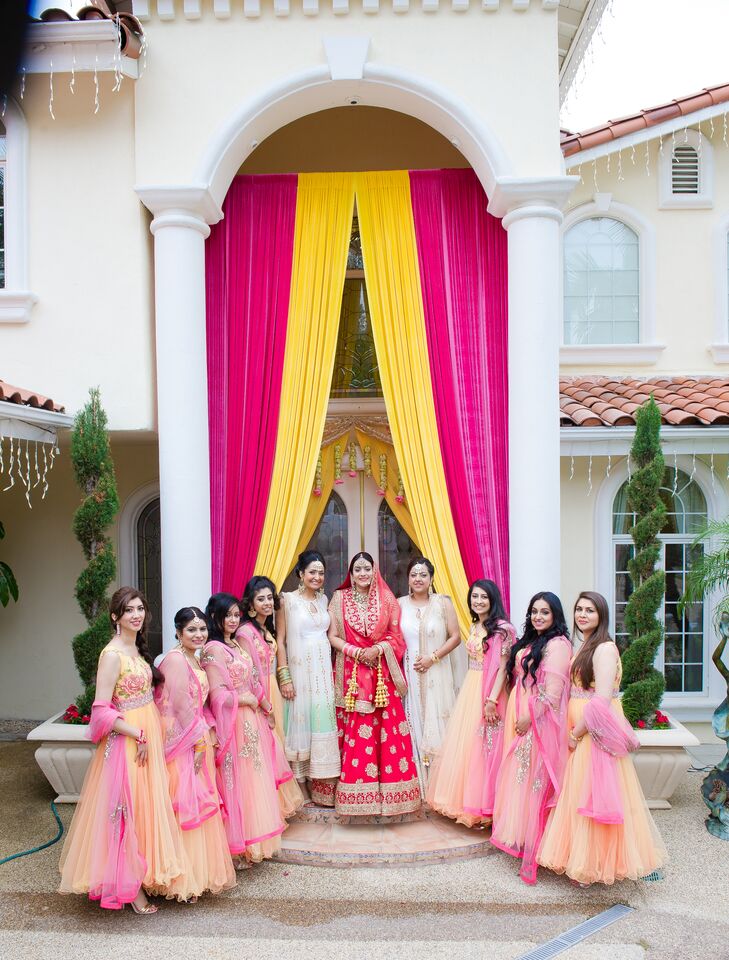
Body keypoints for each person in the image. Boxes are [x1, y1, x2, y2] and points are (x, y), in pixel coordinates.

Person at [59, 587, 185, 913]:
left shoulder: (135, 649)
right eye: (129, 610)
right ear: (115, 616)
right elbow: (100, 711)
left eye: (140, 608)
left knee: (146, 807)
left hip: (146, 736)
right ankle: (129, 888)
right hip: (127, 740)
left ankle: (144, 876)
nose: (137, 614)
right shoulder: (112, 654)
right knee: (126, 810)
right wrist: (136, 733)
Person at [538, 592, 667, 885]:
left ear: (602, 616)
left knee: (594, 796)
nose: (582, 615)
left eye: (590, 610)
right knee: (579, 793)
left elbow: (601, 700)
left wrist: (575, 733)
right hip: (581, 727)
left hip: (592, 731)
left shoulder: (605, 649)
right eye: (579, 609)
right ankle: (580, 858)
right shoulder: (583, 645)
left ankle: (596, 864)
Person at [328, 552, 421, 816]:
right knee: (358, 727)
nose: (362, 574)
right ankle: (357, 797)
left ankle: (394, 795)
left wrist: (378, 649)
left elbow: (396, 637)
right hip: (352, 672)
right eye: (357, 569)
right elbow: (332, 636)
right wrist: (355, 652)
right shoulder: (339, 598)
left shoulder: (388, 599)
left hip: (381, 674)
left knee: (386, 728)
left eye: (367, 569)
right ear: (351, 572)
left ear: (374, 570)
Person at [153, 607, 236, 902]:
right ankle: (180, 878)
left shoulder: (194, 657)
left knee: (199, 804)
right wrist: (198, 741)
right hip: (182, 738)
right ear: (178, 633)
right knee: (185, 804)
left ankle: (197, 875)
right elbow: (177, 702)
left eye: (202, 629)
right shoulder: (175, 660)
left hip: (195, 732)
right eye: (191, 630)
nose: (199, 634)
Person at [490, 591, 572, 885]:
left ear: (555, 616)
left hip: (539, 720)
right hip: (520, 710)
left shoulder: (558, 645)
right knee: (519, 775)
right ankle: (522, 836)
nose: (538, 616)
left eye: (545, 612)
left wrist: (529, 716)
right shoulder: (532, 641)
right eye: (534, 611)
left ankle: (540, 845)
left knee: (535, 778)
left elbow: (552, 693)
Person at [202, 592, 286, 864]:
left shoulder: (236, 645)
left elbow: (253, 679)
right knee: (236, 782)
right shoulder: (213, 650)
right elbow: (217, 695)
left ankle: (254, 844)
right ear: (215, 616)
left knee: (254, 780)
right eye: (227, 615)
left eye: (237, 614)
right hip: (234, 723)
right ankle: (236, 848)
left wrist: (265, 706)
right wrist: (244, 700)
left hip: (252, 720)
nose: (233, 619)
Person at [427, 579, 514, 826]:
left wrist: (491, 700)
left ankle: (488, 807)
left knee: (488, 746)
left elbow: (503, 667)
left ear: (493, 599)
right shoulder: (476, 625)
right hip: (471, 686)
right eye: (474, 597)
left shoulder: (502, 628)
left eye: (483, 597)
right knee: (469, 746)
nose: (478, 601)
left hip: (490, 691)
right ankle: (467, 801)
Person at [276, 551, 341, 805]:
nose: (317, 577)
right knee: (300, 723)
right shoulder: (287, 601)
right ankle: (299, 783)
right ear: (301, 573)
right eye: (312, 571)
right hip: (300, 672)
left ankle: (320, 782)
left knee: (320, 720)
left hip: (323, 672)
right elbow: (280, 641)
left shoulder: (325, 600)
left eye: (321, 572)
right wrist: (285, 677)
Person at [237, 575, 303, 817]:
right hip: (259, 693)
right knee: (264, 750)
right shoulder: (245, 632)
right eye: (260, 599)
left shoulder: (265, 627)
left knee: (275, 747)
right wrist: (264, 704)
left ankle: (274, 807)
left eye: (268, 598)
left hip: (272, 687)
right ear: (251, 604)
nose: (266, 603)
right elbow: (249, 672)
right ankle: (263, 812)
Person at [398, 557, 464, 789]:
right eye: (414, 574)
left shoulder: (442, 603)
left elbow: (455, 636)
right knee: (414, 722)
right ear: (408, 578)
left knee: (438, 723)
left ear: (431, 579)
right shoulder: (399, 604)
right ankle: (418, 784)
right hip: (411, 673)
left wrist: (432, 658)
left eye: (423, 574)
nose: (418, 579)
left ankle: (441, 787)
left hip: (438, 672)